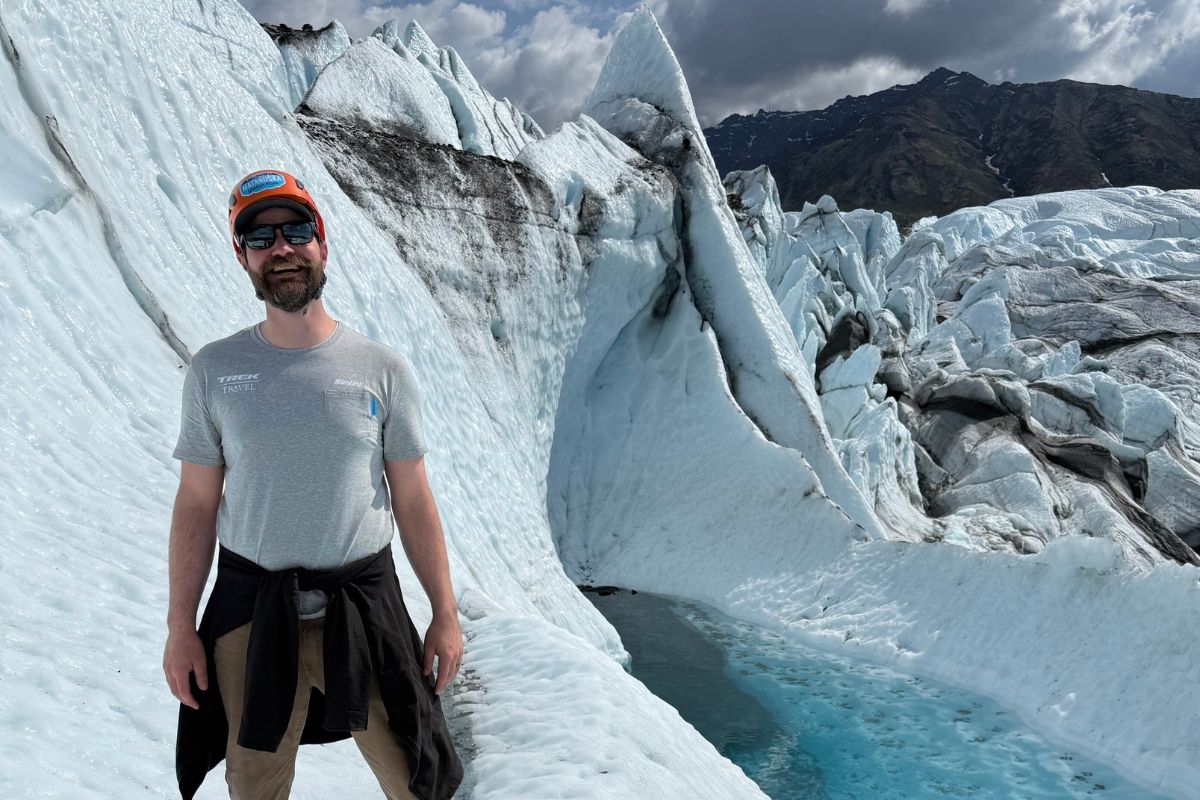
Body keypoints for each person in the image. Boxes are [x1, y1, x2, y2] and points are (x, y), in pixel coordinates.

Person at [162, 169, 464, 800]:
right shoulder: (215, 371)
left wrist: (445, 613)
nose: (282, 248)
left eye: (296, 230)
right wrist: (180, 626)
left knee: (416, 773)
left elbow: (412, 499)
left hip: (366, 606)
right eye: (260, 237)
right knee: (255, 785)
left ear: (321, 244)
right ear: (242, 257)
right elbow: (196, 504)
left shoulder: (381, 370)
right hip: (252, 613)